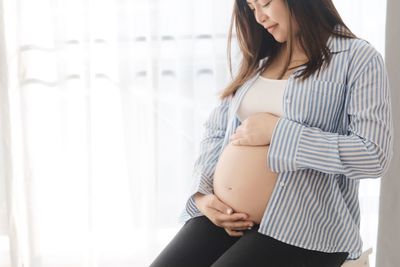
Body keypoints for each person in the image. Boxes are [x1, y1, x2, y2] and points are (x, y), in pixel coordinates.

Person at [150, 0, 393, 266]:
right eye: (252, 8)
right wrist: (203, 196)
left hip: (306, 228)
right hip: (229, 218)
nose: (259, 17)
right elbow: (215, 132)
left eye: (265, 3)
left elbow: (373, 155)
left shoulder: (357, 58)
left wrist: (279, 132)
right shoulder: (258, 60)